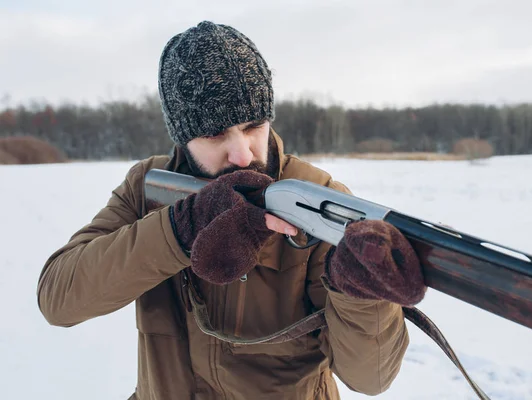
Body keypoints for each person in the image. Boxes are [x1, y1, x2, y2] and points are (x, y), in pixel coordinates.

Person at [37, 21, 427, 400]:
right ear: (183, 137)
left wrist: (359, 295)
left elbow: (370, 377)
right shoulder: (147, 188)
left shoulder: (319, 200)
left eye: (254, 125)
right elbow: (59, 299)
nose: (242, 153)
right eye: (214, 133)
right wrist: (179, 230)